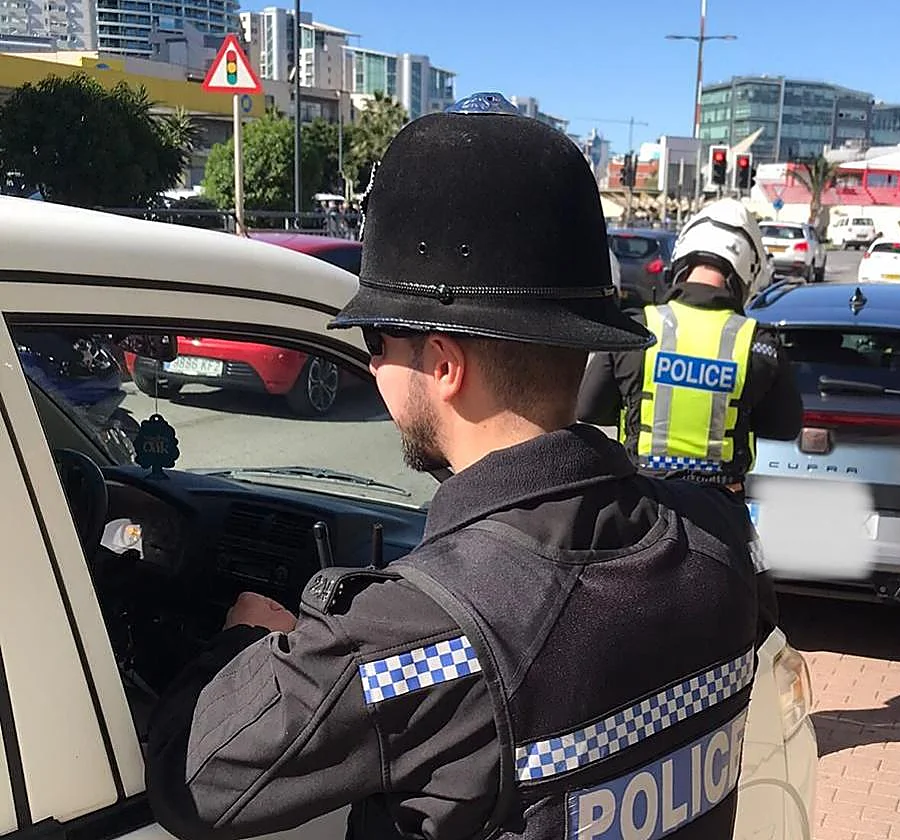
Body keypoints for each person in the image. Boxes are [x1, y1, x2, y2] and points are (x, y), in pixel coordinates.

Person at [144, 92, 777, 840]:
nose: (370, 368)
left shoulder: (418, 639)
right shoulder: (719, 541)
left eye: (376, 342)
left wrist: (246, 639)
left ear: (442, 363)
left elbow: (195, 780)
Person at [576, 198, 804, 499]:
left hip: (645, 505)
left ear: (682, 259)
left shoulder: (637, 330)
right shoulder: (758, 344)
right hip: (720, 512)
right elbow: (785, 426)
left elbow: (588, 408)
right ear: (746, 272)